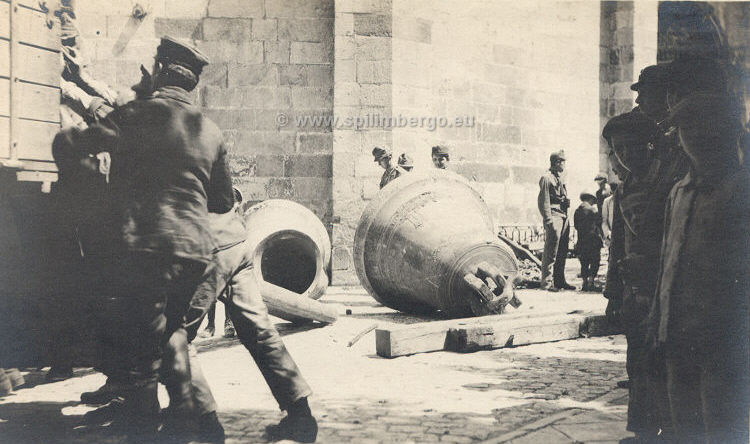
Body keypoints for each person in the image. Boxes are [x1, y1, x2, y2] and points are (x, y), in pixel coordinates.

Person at [73, 36, 235, 441]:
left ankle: (145, 433)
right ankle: (188, 422)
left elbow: (78, 144)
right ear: (192, 82)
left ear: (159, 70)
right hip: (196, 252)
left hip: (147, 249)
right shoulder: (210, 131)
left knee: (140, 352)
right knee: (173, 331)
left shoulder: (135, 116)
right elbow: (221, 201)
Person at [648, 66, 749, 443]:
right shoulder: (679, 192)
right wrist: (656, 324)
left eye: (706, 128)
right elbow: (666, 267)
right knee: (683, 428)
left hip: (724, 343)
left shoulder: (740, 191)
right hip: (676, 337)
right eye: (687, 130)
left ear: (727, 133)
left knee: (723, 428)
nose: (697, 138)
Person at [603, 110, 670, 443]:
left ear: (648, 144)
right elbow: (616, 247)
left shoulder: (666, 185)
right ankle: (643, 431)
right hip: (633, 292)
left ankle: (667, 431)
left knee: (662, 362)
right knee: (637, 361)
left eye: (631, 147)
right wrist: (612, 295)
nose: (625, 157)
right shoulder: (622, 190)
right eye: (618, 151)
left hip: (661, 288)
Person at [537, 150, 574, 291]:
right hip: (554, 216)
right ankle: (546, 283)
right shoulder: (546, 178)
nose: (564, 164)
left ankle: (559, 280)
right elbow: (543, 201)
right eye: (562, 161)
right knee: (551, 251)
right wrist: (548, 220)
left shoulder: (561, 178)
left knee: (562, 250)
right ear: (556, 162)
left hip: (563, 216)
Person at [573, 191, 602, 292]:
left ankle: (585, 282)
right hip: (593, 240)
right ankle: (591, 282)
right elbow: (598, 223)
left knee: (584, 262)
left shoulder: (577, 211)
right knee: (595, 261)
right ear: (590, 199)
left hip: (581, 240)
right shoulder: (593, 210)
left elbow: (576, 226)